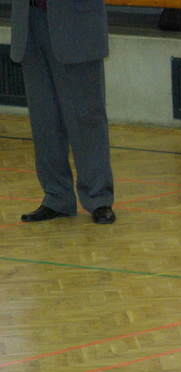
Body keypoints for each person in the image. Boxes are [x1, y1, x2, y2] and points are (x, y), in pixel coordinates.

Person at [11, 0, 116, 224]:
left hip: (76, 22)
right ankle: (56, 197)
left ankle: (98, 198)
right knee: (44, 118)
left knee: (86, 117)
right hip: (29, 19)